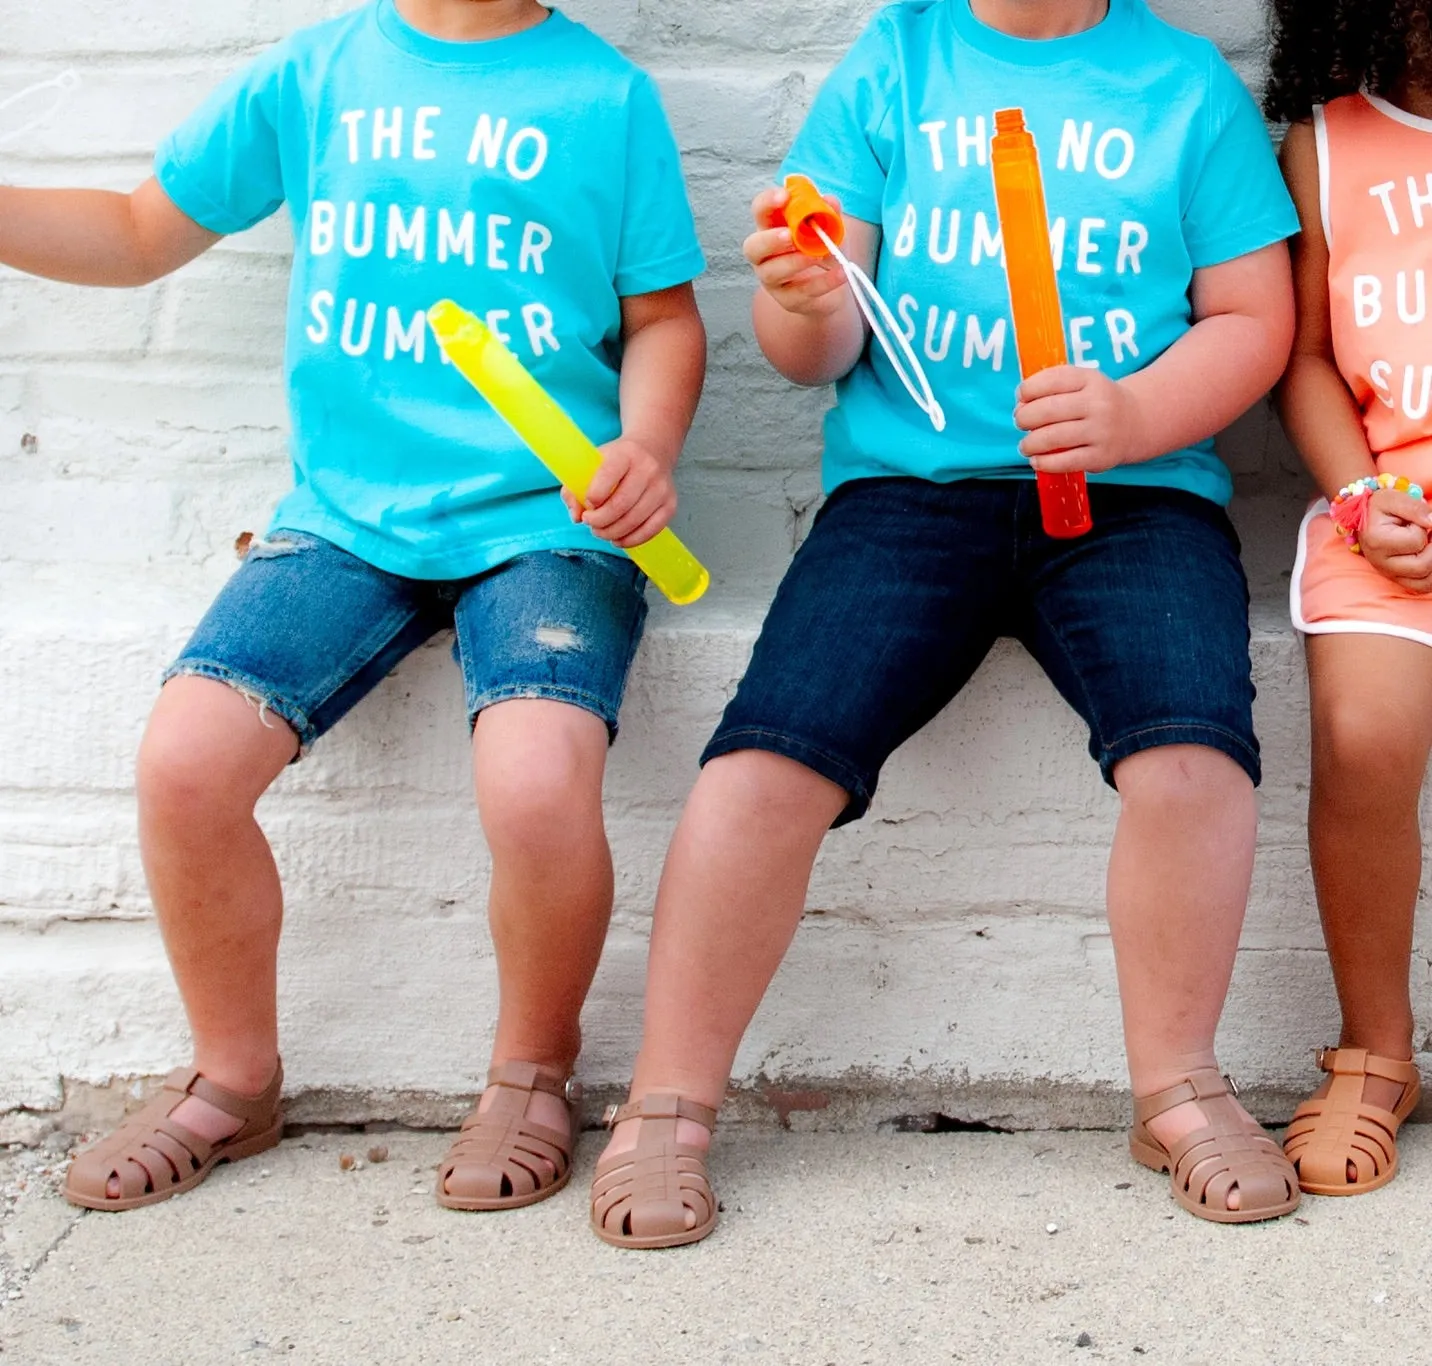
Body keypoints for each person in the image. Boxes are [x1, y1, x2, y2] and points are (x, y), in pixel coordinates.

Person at [589, 0, 1301, 1248]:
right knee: (766, 762)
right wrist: (807, 296)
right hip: (909, 494)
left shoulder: (1184, 88)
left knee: (1192, 758)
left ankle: (1178, 1079)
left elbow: (1254, 319)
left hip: (1134, 497)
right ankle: (669, 1096)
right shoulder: (894, 67)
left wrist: (1134, 417)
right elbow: (812, 347)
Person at [0, 0, 705, 1211]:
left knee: (536, 780)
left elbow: (662, 319)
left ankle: (532, 1071)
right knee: (185, 761)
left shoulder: (606, 97)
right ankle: (233, 1077)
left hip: (551, 518)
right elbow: (131, 232)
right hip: (345, 521)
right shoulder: (318, 73)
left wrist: (646, 441)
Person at [1268, 0, 1431, 1196]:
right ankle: (1376, 1047)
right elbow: (1311, 356)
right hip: (1388, 510)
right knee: (1364, 734)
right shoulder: (1323, 144)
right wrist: (1364, 494)